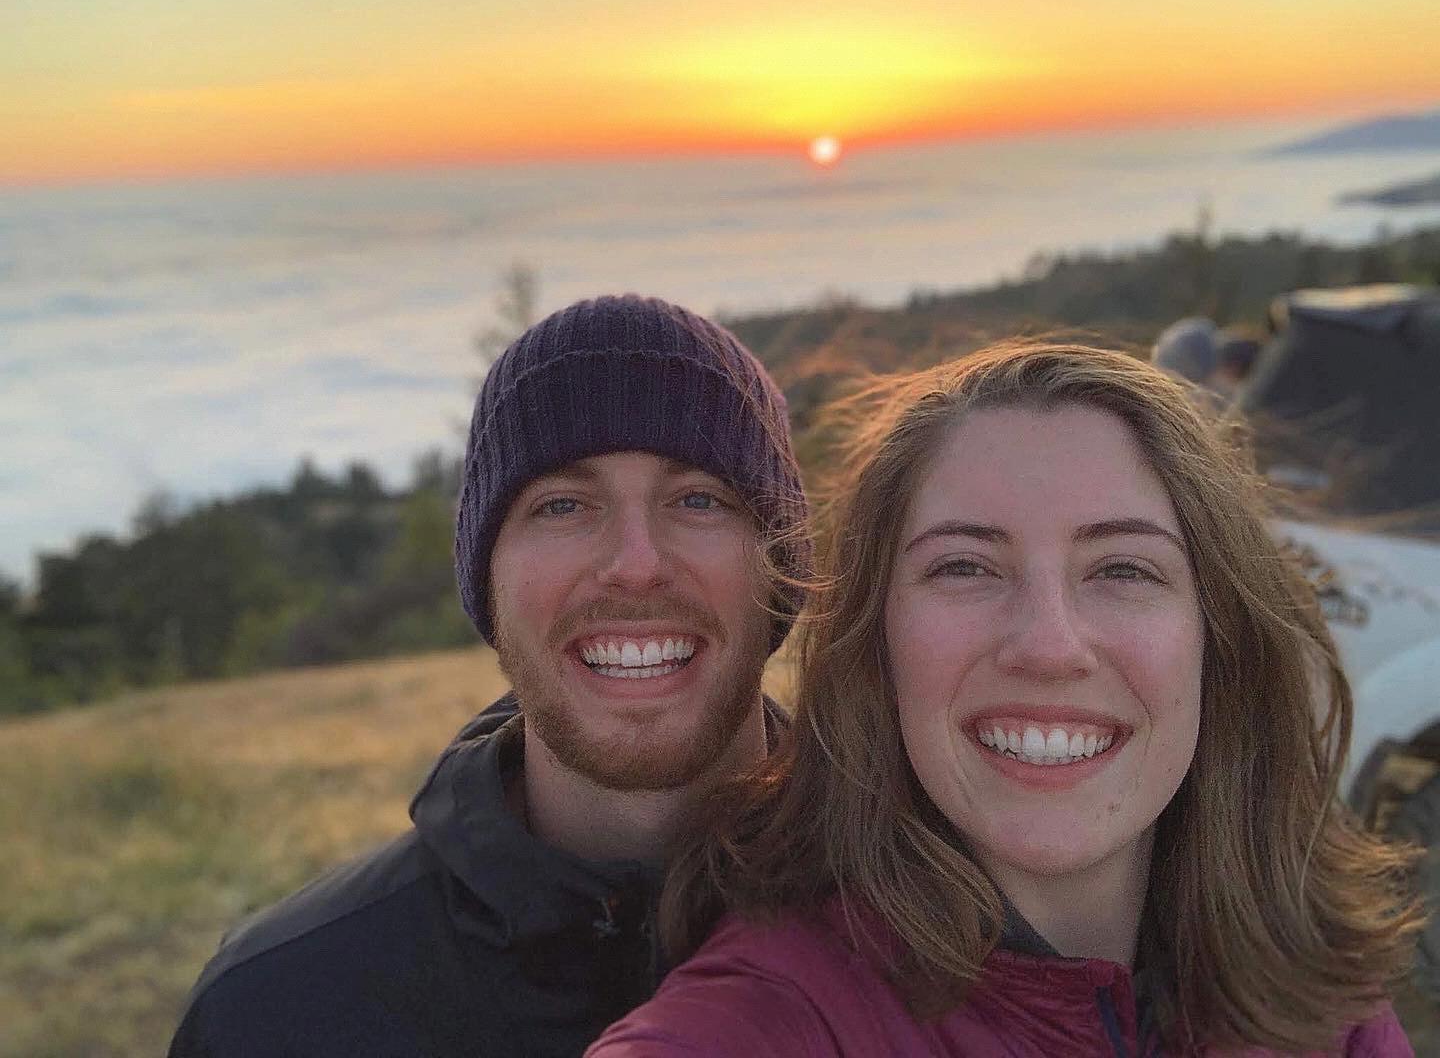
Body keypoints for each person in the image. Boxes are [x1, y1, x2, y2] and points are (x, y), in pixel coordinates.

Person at [590, 342, 1422, 1057]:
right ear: (875, 647)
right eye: (964, 567)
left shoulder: (1313, 998)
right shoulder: (767, 1019)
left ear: (1219, 638)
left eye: (1124, 569)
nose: (1050, 646)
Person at [168, 295, 809, 1057]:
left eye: (699, 500)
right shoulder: (276, 1013)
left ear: (780, 570)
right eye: (563, 505)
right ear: (487, 583)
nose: (636, 565)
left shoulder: (943, 958)